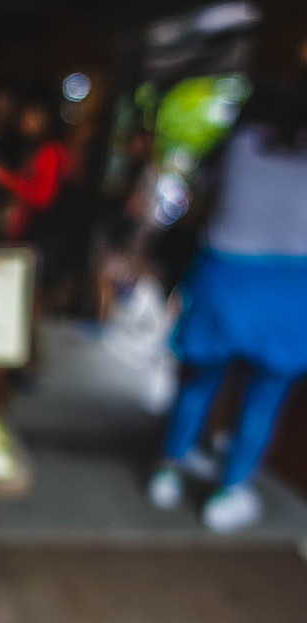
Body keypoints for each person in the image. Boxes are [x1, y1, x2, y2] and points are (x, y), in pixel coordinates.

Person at [148, 78, 307, 532]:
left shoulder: (237, 144)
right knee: (265, 396)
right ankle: (229, 491)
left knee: (199, 380)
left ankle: (168, 470)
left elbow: (197, 197)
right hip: (294, 285)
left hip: (226, 273)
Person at [0, 90, 80, 306]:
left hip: (44, 237)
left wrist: (2, 177)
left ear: (45, 118)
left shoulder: (50, 152)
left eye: (30, 116)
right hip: (36, 235)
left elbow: (43, 197)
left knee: (31, 299)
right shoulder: (38, 148)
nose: (24, 121)